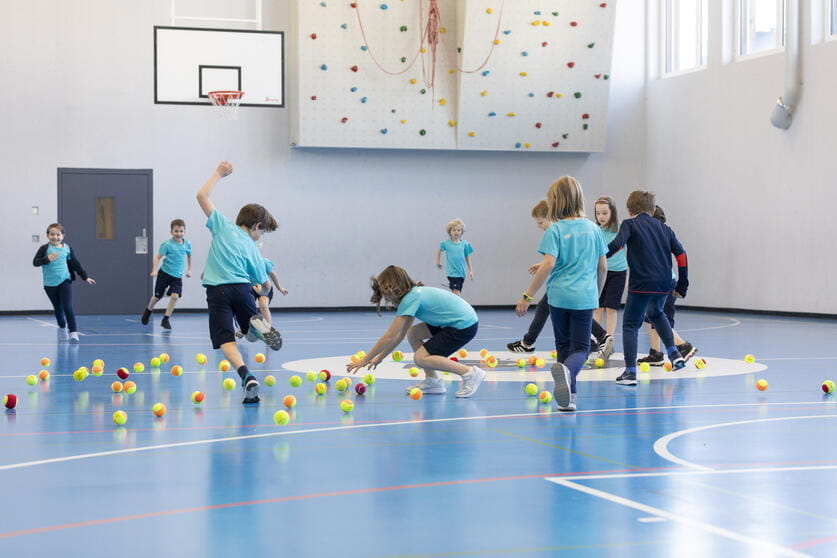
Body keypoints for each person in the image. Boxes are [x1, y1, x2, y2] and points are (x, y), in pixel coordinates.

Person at [515, 177, 607, 412]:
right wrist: (596, 294)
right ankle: (568, 375)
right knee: (582, 349)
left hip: (558, 297)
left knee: (563, 345)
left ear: (555, 202)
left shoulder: (554, 230)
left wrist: (527, 295)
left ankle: (569, 399)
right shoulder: (594, 229)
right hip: (583, 297)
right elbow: (602, 267)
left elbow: (548, 264)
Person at [196, 161, 283, 404]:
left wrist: (218, 173)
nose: (260, 236)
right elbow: (264, 283)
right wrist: (263, 292)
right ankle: (255, 329)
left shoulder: (222, 225)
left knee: (226, 341)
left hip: (217, 292)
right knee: (250, 330)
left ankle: (246, 376)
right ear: (257, 226)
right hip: (242, 290)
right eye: (262, 232)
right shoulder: (253, 248)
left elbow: (201, 196)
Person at [347, 265, 487, 398]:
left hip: (463, 325)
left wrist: (365, 360)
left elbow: (389, 336)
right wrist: (380, 357)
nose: (386, 298)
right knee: (413, 333)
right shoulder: (413, 295)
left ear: (393, 289)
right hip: (457, 320)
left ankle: (470, 373)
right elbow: (400, 335)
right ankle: (433, 381)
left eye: (385, 294)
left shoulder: (410, 300)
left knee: (420, 358)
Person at [606, 192, 689, 386]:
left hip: (641, 283)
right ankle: (674, 354)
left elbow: (617, 245)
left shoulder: (629, 224)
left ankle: (630, 372)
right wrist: (682, 284)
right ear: (652, 210)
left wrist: (596, 254)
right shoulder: (665, 229)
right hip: (664, 283)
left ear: (629, 210)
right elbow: (681, 255)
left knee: (630, 325)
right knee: (656, 313)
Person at [33, 223, 96, 343]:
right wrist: (47, 259)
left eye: (58, 235)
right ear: (48, 235)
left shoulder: (67, 248)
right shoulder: (44, 249)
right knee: (58, 309)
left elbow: (75, 263)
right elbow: (35, 262)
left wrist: (84, 276)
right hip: (49, 284)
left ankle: (73, 332)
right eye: (52, 234)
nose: (55, 237)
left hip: (64, 280)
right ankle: (62, 328)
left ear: (63, 236)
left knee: (67, 306)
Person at [592, 196, 627, 362]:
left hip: (617, 273)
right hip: (600, 272)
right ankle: (597, 339)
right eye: (598, 213)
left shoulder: (621, 229)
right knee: (597, 308)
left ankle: (609, 342)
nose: (601, 216)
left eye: (605, 213)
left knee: (611, 308)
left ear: (612, 212)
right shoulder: (595, 230)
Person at [141, 219, 191, 329]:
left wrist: (189, 269)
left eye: (181, 231)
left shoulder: (187, 244)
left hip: (177, 276)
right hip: (164, 274)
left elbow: (189, 255)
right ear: (171, 232)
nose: (179, 234)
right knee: (157, 297)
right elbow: (157, 258)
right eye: (176, 231)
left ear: (184, 231)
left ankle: (166, 319)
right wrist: (154, 270)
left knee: (175, 296)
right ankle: (148, 310)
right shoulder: (167, 245)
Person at [436, 218, 474, 296]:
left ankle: (450, 303)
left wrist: (470, 271)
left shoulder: (465, 244)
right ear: (450, 232)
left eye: (458, 230)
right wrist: (438, 262)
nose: (456, 232)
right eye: (454, 230)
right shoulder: (446, 243)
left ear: (461, 232)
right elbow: (439, 249)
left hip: (461, 273)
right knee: (457, 294)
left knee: (455, 293)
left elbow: (467, 257)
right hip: (452, 273)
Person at [252, 257, 289, 324]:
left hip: (265, 287)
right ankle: (244, 327)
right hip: (251, 287)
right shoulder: (244, 262)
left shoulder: (264, 261)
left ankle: (267, 327)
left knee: (263, 304)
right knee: (246, 306)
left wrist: (280, 288)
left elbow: (272, 274)